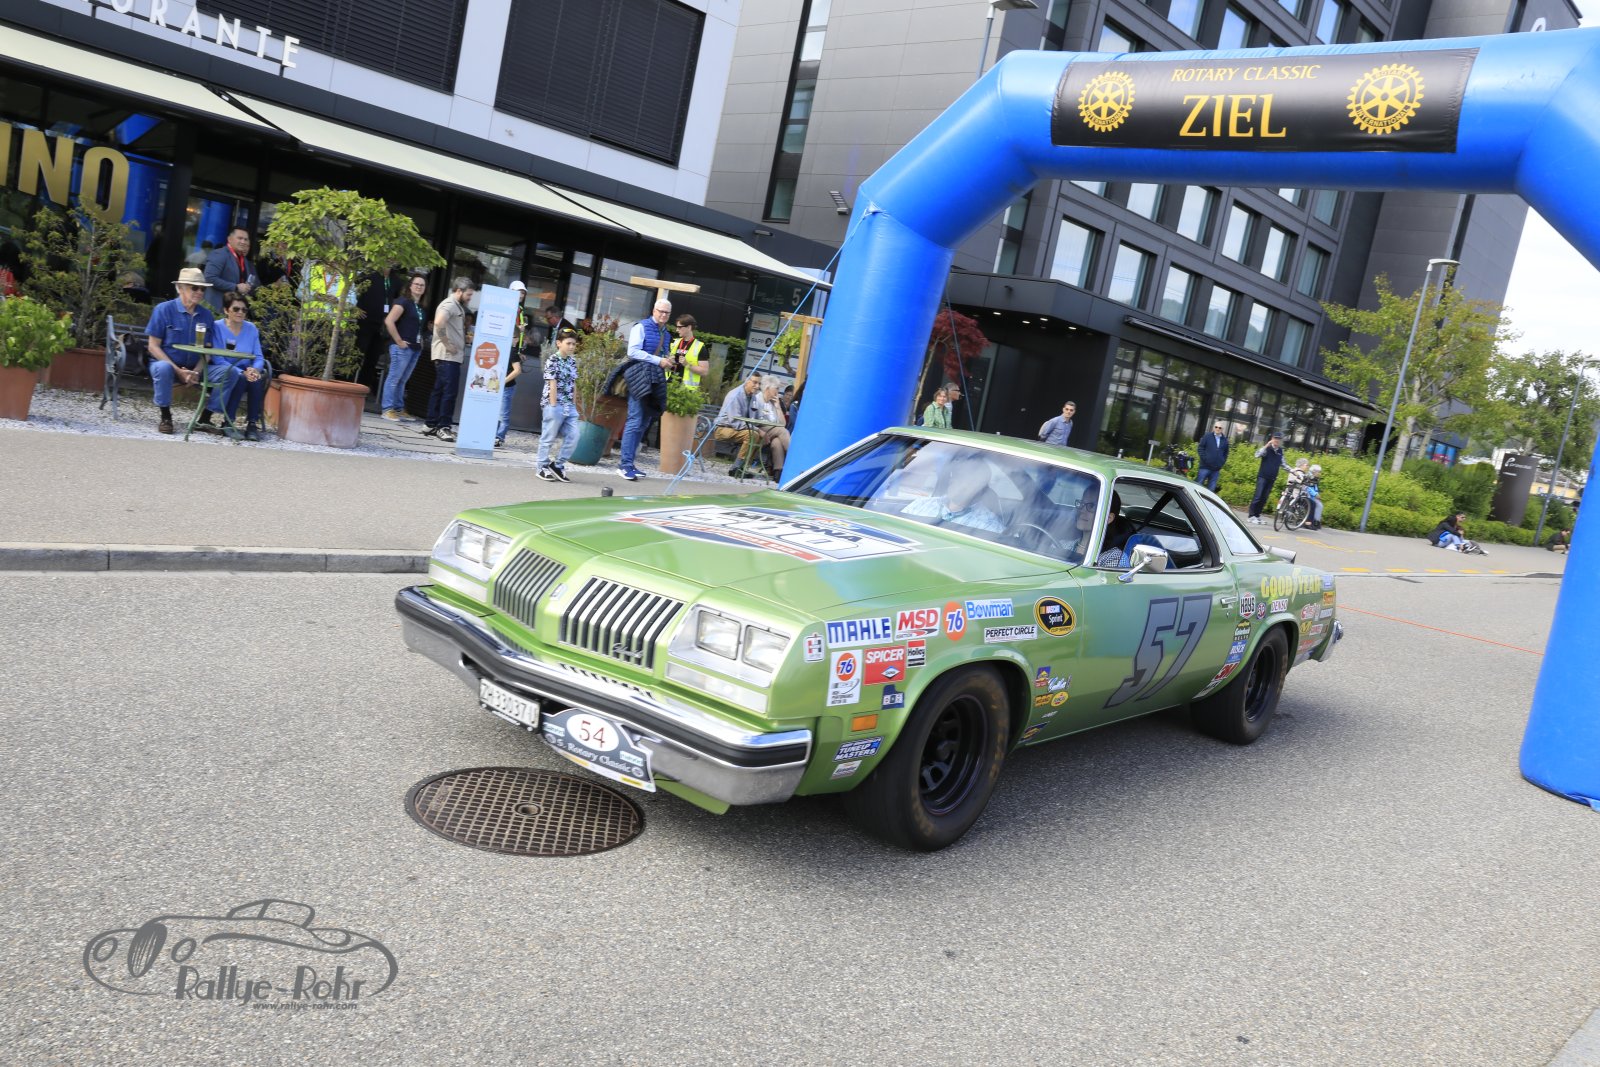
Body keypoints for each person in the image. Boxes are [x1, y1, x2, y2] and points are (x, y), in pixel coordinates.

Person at [143, 267, 230, 435]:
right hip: (168, 364)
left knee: (229, 373)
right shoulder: (163, 310)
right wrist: (178, 370)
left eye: (203, 289)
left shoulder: (207, 315)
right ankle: (166, 416)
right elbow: (153, 346)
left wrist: (196, 371)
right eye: (194, 287)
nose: (199, 292)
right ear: (180, 288)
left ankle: (205, 418)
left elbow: (208, 350)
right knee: (163, 368)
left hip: (196, 367)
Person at [617, 299, 675, 480]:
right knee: (635, 420)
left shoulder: (666, 333)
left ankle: (630, 464)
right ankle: (624, 465)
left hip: (654, 380)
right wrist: (659, 360)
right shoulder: (641, 327)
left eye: (667, 312)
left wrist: (668, 360)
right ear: (654, 310)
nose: (663, 315)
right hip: (639, 377)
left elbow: (662, 354)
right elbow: (632, 352)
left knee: (644, 422)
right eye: (661, 311)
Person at [205, 295, 272, 440]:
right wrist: (241, 371)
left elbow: (258, 356)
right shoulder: (217, 327)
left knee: (255, 379)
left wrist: (255, 369)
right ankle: (228, 423)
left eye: (244, 310)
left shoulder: (251, 328)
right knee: (240, 378)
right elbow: (217, 358)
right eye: (236, 309)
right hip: (227, 370)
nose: (240, 312)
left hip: (248, 370)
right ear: (226, 310)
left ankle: (252, 424)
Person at [423, 277, 474, 442]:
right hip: (448, 357)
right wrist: (447, 344)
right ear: (459, 291)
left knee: (439, 390)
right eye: (468, 294)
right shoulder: (450, 304)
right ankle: (443, 427)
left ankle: (430, 424)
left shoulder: (455, 305)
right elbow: (439, 323)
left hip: (448, 357)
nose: (470, 298)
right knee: (449, 392)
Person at [900, 458, 1005, 534]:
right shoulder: (921, 504)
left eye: (970, 480)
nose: (961, 483)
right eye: (958, 476)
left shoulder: (989, 526)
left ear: (981, 489)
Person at [536, 327, 581, 482]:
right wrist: (554, 406)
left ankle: (558, 465)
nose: (571, 346)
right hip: (554, 405)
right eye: (568, 343)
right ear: (559, 343)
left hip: (569, 406)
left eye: (574, 344)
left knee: (574, 436)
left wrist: (574, 404)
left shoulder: (572, 361)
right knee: (548, 438)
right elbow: (552, 384)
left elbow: (574, 383)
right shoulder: (552, 360)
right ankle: (541, 467)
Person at [381, 274, 427, 421]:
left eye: (422, 285)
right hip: (402, 347)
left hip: (414, 347)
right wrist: (399, 341)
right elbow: (389, 321)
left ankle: (398, 409)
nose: (419, 287)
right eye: (416, 284)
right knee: (394, 378)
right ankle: (387, 409)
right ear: (410, 285)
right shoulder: (403, 301)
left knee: (402, 380)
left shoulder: (419, 306)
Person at [495, 281, 529, 447]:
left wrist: (519, 349)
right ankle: (495, 434)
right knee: (499, 409)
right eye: (519, 292)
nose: (521, 295)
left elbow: (518, 333)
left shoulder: (520, 309)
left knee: (503, 411)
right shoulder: (506, 307)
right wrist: (518, 330)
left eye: (523, 293)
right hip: (506, 346)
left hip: (513, 349)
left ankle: (499, 436)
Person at [714, 374, 765, 478]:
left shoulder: (753, 397)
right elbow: (735, 421)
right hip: (723, 428)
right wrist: (758, 430)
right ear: (747, 381)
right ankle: (735, 469)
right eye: (755, 382)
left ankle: (743, 468)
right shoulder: (735, 395)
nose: (757, 386)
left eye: (759, 383)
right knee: (752, 435)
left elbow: (755, 418)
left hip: (737, 428)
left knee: (759, 437)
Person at [202, 226, 256, 311]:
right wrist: (236, 287)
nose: (243, 242)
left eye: (246, 239)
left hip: (233, 311)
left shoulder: (243, 259)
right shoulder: (220, 254)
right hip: (216, 310)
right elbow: (209, 278)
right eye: (240, 238)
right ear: (229, 239)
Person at [1247, 431, 1285, 525]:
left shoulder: (1280, 451)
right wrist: (1267, 445)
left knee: (1264, 498)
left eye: (1278, 439)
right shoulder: (1267, 449)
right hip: (1263, 477)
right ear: (1272, 438)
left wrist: (1293, 471)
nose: (1277, 440)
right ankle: (1251, 516)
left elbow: (1283, 464)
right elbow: (1257, 455)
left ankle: (1257, 515)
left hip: (1271, 478)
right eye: (1275, 438)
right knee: (1258, 496)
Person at [669, 314, 709, 389]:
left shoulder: (700, 347)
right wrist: (670, 362)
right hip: (670, 385)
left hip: (687, 390)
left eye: (679, 327)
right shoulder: (674, 343)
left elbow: (704, 372)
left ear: (689, 327)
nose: (677, 330)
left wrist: (687, 365)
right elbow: (668, 366)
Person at [1196, 420, 1230, 491]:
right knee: (1198, 487)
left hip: (1216, 469)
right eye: (1216, 427)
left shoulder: (1225, 440)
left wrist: (1221, 462)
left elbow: (1226, 453)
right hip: (1205, 467)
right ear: (1213, 428)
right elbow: (1200, 448)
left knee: (1211, 490)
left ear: (1222, 429)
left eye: (1220, 428)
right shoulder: (1207, 436)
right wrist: (1205, 459)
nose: (1217, 429)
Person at [1305, 463, 1325, 530]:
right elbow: (1307, 487)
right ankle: (1314, 522)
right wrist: (1315, 494)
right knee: (1318, 505)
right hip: (1307, 495)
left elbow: (1315, 488)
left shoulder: (1315, 478)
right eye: (1318, 472)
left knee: (1319, 505)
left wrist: (1317, 494)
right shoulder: (1310, 477)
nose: (1319, 473)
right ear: (1314, 471)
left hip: (1311, 496)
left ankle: (1316, 521)